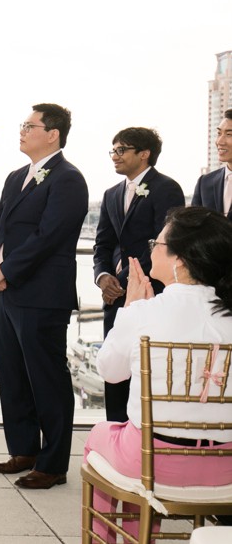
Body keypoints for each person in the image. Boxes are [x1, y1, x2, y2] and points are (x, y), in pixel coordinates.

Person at [86, 206, 232, 542]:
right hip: (225, 467)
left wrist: (129, 309)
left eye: (157, 243)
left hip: (154, 464)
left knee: (99, 435)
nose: (151, 248)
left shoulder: (145, 314)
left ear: (179, 259)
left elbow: (109, 372)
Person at [0, 103, 88, 490]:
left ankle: (53, 463)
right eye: (23, 125)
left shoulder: (69, 179)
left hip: (42, 295)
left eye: (30, 125)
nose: (22, 131)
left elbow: (50, 237)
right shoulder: (14, 177)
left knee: (47, 379)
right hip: (6, 294)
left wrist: (7, 271)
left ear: (53, 133)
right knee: (12, 375)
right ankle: (23, 450)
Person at [92, 127, 184, 422]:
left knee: (147, 369)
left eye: (122, 150)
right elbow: (103, 243)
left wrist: (125, 281)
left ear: (144, 154)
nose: (115, 156)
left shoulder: (166, 188)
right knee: (115, 372)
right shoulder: (111, 194)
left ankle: (142, 438)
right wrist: (103, 276)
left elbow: (163, 244)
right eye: (113, 150)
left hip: (151, 293)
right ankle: (115, 434)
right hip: (115, 297)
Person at [192, 108, 232, 220]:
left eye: (229, 134)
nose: (220, 141)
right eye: (219, 133)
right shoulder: (204, 183)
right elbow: (192, 228)